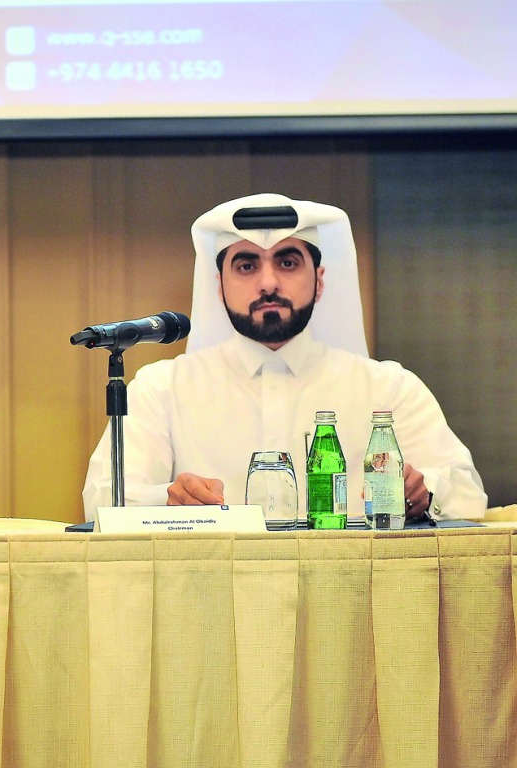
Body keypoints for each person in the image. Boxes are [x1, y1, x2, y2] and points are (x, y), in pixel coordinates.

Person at [81, 192, 486, 522]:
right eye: (246, 265)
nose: (269, 282)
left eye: (288, 262)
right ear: (218, 286)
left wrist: (422, 491)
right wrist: (168, 499)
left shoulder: (388, 388)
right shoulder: (162, 388)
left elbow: (467, 493)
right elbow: (104, 499)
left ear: (320, 280)